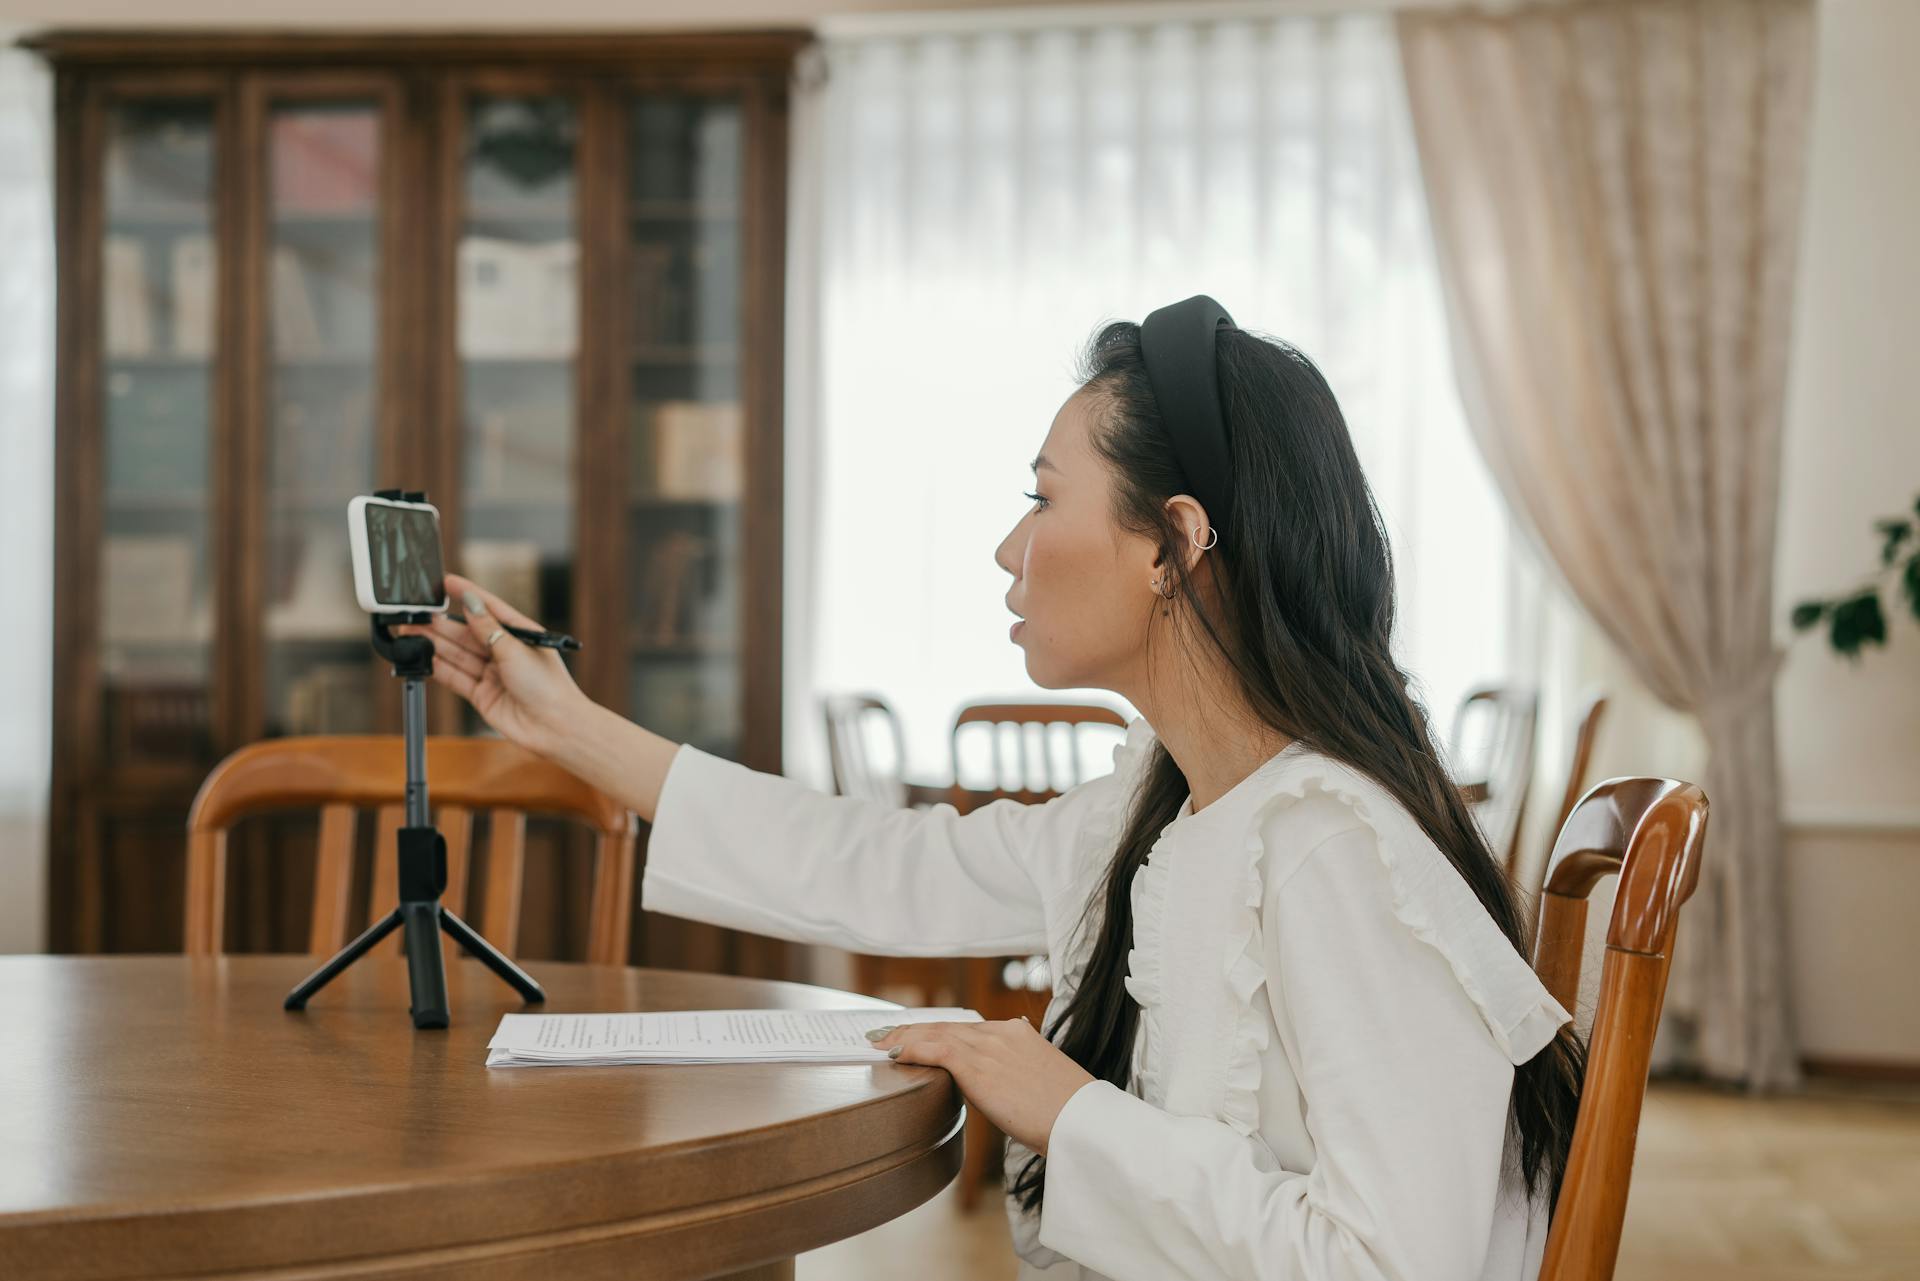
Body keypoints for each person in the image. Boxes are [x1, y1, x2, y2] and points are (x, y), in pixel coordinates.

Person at [397, 296, 1585, 1281]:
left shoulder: (1337, 847)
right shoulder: (1165, 807)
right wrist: (565, 723)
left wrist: (1065, 1106)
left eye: (1042, 498)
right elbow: (875, 863)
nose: (1009, 550)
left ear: (1172, 544)